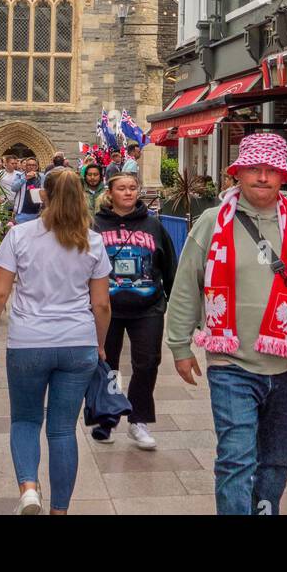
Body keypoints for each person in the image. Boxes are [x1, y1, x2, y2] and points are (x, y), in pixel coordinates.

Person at [165, 132, 287, 516]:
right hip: (232, 365)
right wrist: (179, 346)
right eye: (253, 169)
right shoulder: (212, 222)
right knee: (235, 459)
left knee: (276, 460)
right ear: (238, 174)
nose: (262, 177)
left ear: (283, 176)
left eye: (271, 170)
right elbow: (186, 286)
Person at [0, 167, 111, 515]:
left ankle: (29, 489)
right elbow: (102, 304)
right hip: (77, 342)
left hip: (28, 342)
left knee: (25, 420)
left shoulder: (20, 235)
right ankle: (59, 511)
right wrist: (99, 343)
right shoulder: (93, 241)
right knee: (63, 430)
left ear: (42, 195)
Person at [92, 172, 176, 450]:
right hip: (108, 308)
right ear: (110, 192)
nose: (128, 193)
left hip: (148, 306)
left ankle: (138, 419)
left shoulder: (153, 225)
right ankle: (109, 414)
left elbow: (169, 265)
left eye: (132, 188)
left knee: (147, 362)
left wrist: (174, 303)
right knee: (108, 364)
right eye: (122, 188)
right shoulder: (95, 225)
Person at [11, 157, 44, 224]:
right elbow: (14, 188)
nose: (31, 167)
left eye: (33, 165)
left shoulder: (41, 177)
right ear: (25, 166)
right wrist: (25, 178)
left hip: (37, 213)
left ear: (37, 167)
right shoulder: (20, 176)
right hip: (22, 213)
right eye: (29, 165)